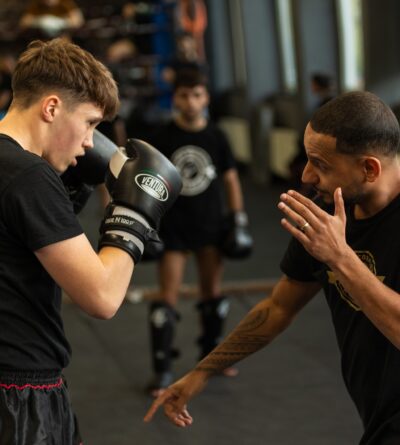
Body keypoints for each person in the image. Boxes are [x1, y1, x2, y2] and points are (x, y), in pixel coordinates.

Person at [144, 90, 400, 445]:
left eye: (321, 165)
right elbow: (279, 307)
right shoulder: (324, 215)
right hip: (376, 412)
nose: (307, 176)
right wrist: (202, 371)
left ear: (369, 169)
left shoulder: (336, 237)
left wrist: (340, 257)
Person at [0, 37, 181, 444]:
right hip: (19, 396)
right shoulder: (28, 176)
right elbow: (102, 296)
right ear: (51, 108)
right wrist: (134, 213)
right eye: (90, 123)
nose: (88, 142)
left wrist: (72, 189)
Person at [146, 68, 252, 397]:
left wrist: (238, 219)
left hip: (210, 224)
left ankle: (212, 359)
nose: (191, 102)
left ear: (205, 98)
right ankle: (163, 371)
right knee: (167, 299)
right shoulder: (163, 136)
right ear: (175, 98)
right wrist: (147, 219)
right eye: (184, 95)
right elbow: (150, 179)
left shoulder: (217, 136)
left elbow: (230, 179)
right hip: (174, 226)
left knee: (212, 294)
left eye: (197, 95)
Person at [19, 0, 84, 38]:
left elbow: (78, 21)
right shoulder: (37, 4)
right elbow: (23, 23)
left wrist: (60, 23)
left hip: (61, 37)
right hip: (40, 38)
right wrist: (39, 21)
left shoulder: (65, 3)